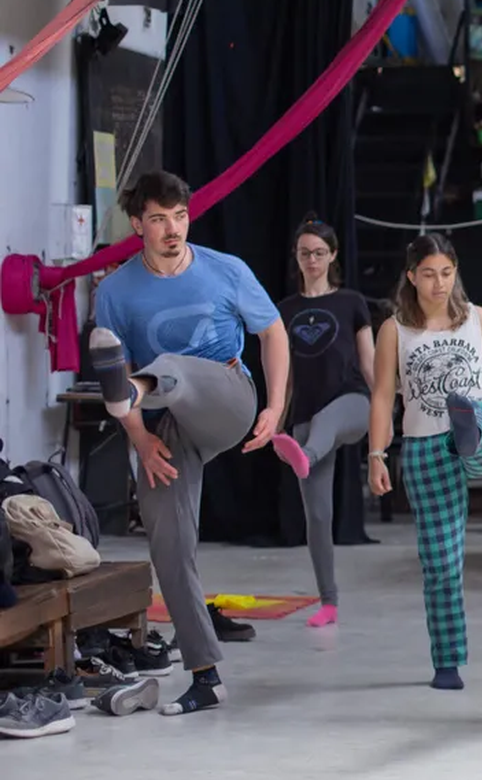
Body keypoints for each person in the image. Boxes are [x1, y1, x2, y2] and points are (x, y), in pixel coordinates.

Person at [88, 171, 290, 716]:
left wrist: (274, 406)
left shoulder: (226, 270)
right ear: (138, 225)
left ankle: (135, 391)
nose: (172, 228)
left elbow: (273, 332)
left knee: (168, 369)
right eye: (158, 219)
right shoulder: (115, 291)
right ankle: (206, 675)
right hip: (164, 424)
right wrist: (139, 439)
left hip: (227, 395)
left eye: (179, 216)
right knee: (169, 547)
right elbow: (119, 357)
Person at [366, 233, 482, 691]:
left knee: (479, 414)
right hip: (426, 445)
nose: (439, 283)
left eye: (446, 273)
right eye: (428, 274)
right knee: (441, 562)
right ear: (411, 277)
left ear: (456, 272)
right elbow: (383, 397)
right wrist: (376, 454)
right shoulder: (394, 330)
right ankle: (447, 663)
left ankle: (471, 429)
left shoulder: (478, 319)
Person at [265, 218, 375, 629]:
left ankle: (304, 454)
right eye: (304, 252)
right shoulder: (285, 311)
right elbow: (286, 377)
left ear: (332, 256)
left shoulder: (351, 302)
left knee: (324, 426)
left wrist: (385, 415)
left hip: (352, 405)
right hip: (306, 419)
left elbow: (368, 363)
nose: (311, 260)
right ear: (296, 257)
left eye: (318, 252)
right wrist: (275, 420)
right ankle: (328, 601)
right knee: (318, 516)